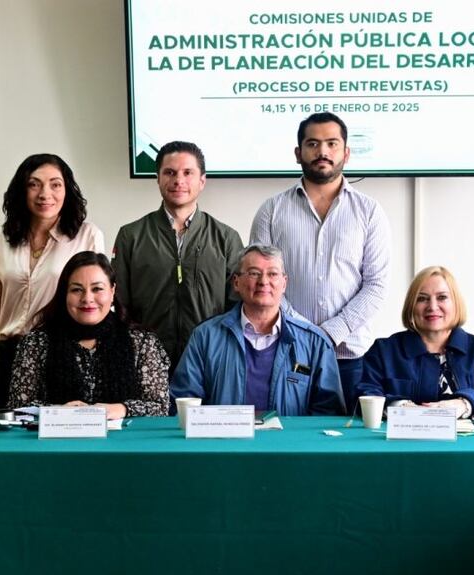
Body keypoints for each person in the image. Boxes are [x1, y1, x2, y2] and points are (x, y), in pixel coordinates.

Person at [250, 112, 391, 413]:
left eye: (332, 143)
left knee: (349, 451)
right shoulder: (272, 210)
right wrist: (304, 334)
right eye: (313, 143)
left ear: (346, 153)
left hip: (350, 357)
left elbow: (376, 285)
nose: (323, 152)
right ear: (298, 153)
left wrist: (329, 333)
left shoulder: (369, 212)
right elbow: (259, 282)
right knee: (286, 443)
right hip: (287, 352)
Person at [0, 153, 104, 407]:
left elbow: (100, 301)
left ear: (67, 190)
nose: (45, 194)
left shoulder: (87, 235)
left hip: (60, 352)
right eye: (34, 184)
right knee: (6, 437)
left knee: (54, 435)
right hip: (5, 355)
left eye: (55, 184)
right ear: (21, 190)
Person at [112, 141, 243, 370]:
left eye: (188, 173)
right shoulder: (131, 236)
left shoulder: (226, 238)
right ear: (158, 178)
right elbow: (120, 303)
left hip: (209, 357)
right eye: (169, 172)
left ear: (202, 180)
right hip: (145, 359)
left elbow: (236, 306)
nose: (178, 180)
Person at [170, 244, 344, 416]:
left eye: (273, 274)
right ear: (236, 282)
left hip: (288, 444)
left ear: (284, 283)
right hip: (223, 443)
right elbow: (184, 403)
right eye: (254, 273)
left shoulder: (314, 343)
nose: (263, 281)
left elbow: (329, 414)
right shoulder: (205, 337)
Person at [8, 251, 169, 419]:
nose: (87, 298)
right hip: (58, 442)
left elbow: (160, 407)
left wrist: (122, 409)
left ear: (112, 291)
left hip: (124, 443)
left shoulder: (142, 342)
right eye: (77, 290)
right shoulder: (36, 343)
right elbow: (18, 408)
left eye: (97, 289)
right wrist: (58, 411)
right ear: (65, 294)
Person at [356, 266, 474, 417]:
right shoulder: (383, 351)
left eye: (442, 297)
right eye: (422, 298)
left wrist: (463, 404)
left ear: (456, 303)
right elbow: (364, 395)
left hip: (467, 440)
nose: (432, 307)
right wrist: (400, 406)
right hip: (402, 439)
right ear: (411, 306)